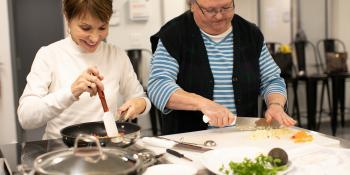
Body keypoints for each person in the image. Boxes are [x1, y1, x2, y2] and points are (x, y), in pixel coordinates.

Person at [147, 0, 296, 134]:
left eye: (226, 8)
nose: (219, 16)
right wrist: (203, 104)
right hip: (189, 141)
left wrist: (276, 104)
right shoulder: (174, 34)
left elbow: (271, 80)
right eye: (210, 10)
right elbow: (158, 85)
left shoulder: (251, 34)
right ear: (192, 4)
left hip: (242, 137)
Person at [17, 0, 151, 139]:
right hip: (61, 149)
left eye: (102, 28)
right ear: (68, 18)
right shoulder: (49, 55)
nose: (94, 38)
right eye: (86, 28)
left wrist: (139, 104)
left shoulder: (117, 55)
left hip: (107, 148)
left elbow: (141, 98)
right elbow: (26, 118)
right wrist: (71, 91)